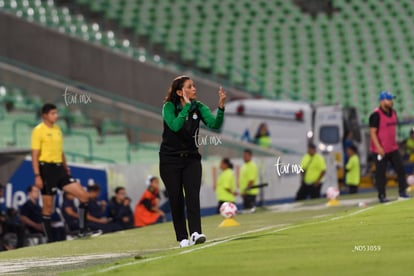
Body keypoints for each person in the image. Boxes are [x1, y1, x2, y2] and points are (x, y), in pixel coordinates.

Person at [159, 75, 226, 247]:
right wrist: (186, 108)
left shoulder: (199, 107)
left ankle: (196, 233)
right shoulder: (168, 107)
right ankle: (182, 238)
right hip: (170, 160)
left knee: (192, 196)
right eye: (190, 86)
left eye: (194, 85)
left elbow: (214, 124)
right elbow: (175, 126)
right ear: (180, 92)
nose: (194, 88)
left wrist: (220, 107)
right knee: (176, 199)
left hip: (191, 159)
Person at [31, 103, 94, 241]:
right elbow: (35, 154)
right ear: (45, 116)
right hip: (46, 169)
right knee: (47, 207)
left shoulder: (58, 129)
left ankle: (83, 230)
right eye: (53, 113)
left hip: (59, 168)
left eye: (56, 113)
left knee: (83, 195)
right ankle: (49, 240)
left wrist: (65, 166)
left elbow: (61, 151)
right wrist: (37, 175)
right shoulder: (38, 130)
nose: (56, 116)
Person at [369, 91, 410, 203]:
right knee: (381, 173)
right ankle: (381, 195)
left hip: (392, 148)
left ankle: (402, 192)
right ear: (382, 101)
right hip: (380, 150)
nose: (391, 102)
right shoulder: (375, 115)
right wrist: (378, 148)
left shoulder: (393, 113)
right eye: (389, 99)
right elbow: (373, 133)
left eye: (391, 99)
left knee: (400, 169)